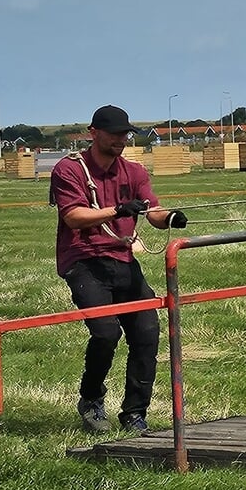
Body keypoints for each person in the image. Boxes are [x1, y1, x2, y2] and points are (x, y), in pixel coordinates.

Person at [50, 105, 188, 433]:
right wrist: (117, 211)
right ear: (93, 132)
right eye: (113, 134)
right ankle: (92, 398)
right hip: (83, 260)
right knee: (105, 332)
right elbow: (74, 216)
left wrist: (168, 217)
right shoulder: (69, 170)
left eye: (125, 134)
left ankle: (134, 413)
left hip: (123, 259)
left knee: (146, 333)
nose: (120, 140)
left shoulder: (134, 172)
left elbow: (152, 211)